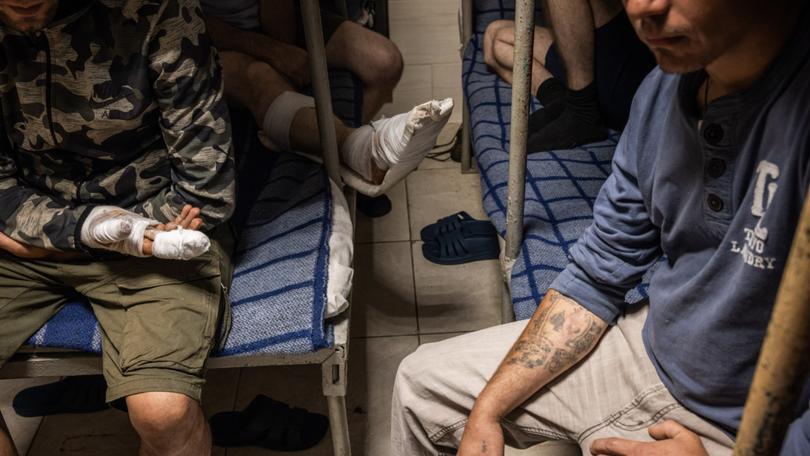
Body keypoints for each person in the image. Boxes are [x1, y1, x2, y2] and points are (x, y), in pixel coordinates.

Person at [392, 0, 810, 454]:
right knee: (421, 387)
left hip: (765, 427)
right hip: (654, 352)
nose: (642, 8)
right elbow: (598, 272)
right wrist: (487, 409)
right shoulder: (660, 92)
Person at [0, 0, 236, 454]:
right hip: (36, 233)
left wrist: (121, 234)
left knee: (163, 412)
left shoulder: (155, 10)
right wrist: (83, 231)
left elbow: (206, 193)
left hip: (157, 235)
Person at [200, 0, 452, 198]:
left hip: (273, 22)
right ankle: (359, 149)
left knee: (384, 61)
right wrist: (274, 53)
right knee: (259, 77)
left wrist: (286, 50)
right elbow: (190, 25)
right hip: (207, 39)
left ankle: (325, 150)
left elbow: (279, 14)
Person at [483, 0, 655, 151]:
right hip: (595, 70)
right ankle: (563, 101)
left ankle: (583, 111)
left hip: (634, 84)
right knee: (495, 37)